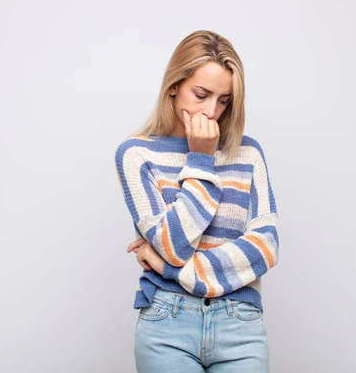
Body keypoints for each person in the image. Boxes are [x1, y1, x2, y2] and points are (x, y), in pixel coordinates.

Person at [114, 30, 279, 372]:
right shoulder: (136, 155)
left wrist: (166, 268)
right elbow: (175, 243)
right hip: (167, 323)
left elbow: (265, 248)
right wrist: (201, 159)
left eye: (224, 100)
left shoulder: (247, 153)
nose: (212, 111)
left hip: (240, 324)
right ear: (174, 85)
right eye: (201, 94)